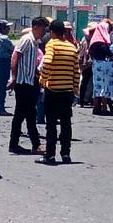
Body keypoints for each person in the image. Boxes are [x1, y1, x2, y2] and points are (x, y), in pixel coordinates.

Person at [38, 19, 80, 165]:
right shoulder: (71, 47)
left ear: (52, 32)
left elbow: (48, 62)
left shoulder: (52, 44)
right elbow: (76, 71)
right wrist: (75, 88)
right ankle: (66, 153)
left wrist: (42, 80)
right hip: (67, 91)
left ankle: (50, 155)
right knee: (66, 123)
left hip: (53, 90)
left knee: (51, 125)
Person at [8, 17, 48, 155]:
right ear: (36, 27)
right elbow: (15, 57)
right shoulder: (27, 39)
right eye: (43, 29)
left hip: (30, 81)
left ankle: (35, 144)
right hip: (23, 82)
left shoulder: (35, 42)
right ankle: (14, 144)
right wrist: (14, 77)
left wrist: (37, 73)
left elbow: (30, 63)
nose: (44, 33)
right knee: (20, 114)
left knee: (31, 114)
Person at [88, 20, 113, 115]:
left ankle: (96, 107)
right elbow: (110, 54)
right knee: (105, 87)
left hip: (96, 65)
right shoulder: (102, 43)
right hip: (105, 66)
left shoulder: (93, 42)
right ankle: (104, 108)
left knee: (97, 87)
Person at [77, 25, 96, 108]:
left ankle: (85, 100)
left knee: (87, 82)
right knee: (87, 82)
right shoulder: (88, 40)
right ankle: (83, 100)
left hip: (88, 63)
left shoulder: (86, 39)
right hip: (88, 63)